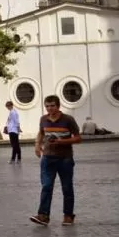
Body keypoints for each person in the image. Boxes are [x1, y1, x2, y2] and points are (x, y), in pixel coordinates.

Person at [30, 95, 82, 226]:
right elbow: (41, 132)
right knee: (46, 186)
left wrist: (61, 141)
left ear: (58, 106)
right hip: (47, 158)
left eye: (52, 105)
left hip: (65, 158)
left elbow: (78, 138)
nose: (49, 108)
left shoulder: (68, 120)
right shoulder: (43, 119)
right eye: (47, 106)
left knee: (67, 187)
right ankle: (43, 215)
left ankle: (68, 215)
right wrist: (37, 145)